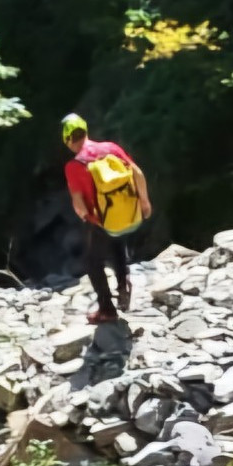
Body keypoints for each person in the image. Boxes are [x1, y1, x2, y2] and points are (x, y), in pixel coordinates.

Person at [62, 113, 152, 323]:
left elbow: (78, 204)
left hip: (100, 221)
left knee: (93, 262)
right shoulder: (110, 148)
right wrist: (144, 202)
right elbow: (137, 173)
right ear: (85, 131)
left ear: (67, 139)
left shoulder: (74, 166)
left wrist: (86, 217)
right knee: (117, 245)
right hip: (128, 214)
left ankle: (107, 309)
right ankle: (123, 286)